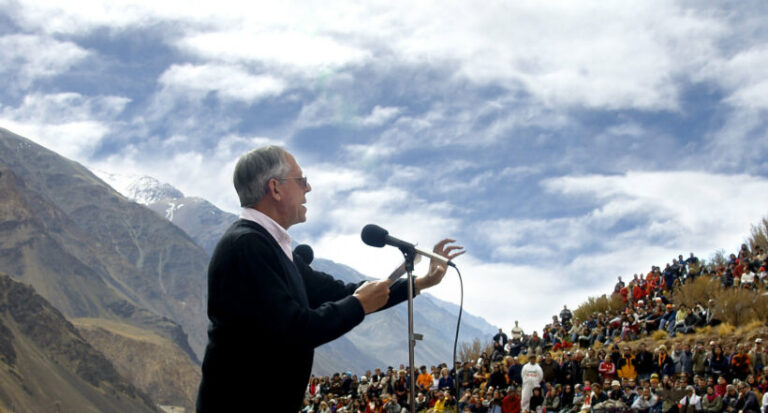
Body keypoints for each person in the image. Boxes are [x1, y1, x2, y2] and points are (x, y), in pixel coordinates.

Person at [196, 146, 464, 412]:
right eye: (301, 180)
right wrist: (358, 305)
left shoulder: (273, 249)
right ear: (275, 189)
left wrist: (420, 283)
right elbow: (295, 330)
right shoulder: (247, 246)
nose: (309, 188)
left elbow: (342, 292)